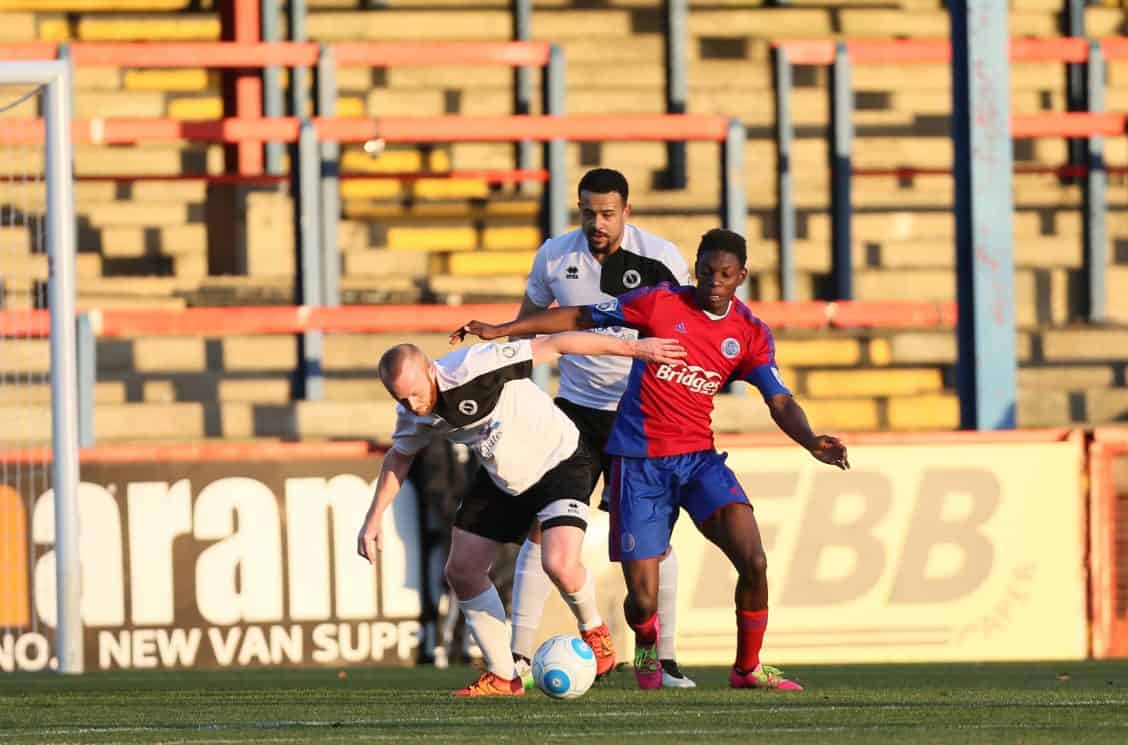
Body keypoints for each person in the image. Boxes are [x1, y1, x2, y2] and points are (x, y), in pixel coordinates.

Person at [453, 228, 850, 691]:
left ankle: (747, 669)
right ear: (695, 267)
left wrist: (809, 440)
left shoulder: (749, 333)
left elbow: (778, 400)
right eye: (706, 271)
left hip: (699, 461)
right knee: (641, 600)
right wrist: (503, 330)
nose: (713, 281)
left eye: (725, 274)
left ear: (741, 276)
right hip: (638, 464)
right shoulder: (660, 302)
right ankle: (646, 656)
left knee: (754, 559)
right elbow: (579, 316)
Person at [357, 330, 686, 697]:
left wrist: (635, 348)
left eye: (416, 392)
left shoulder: (477, 366)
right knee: (461, 570)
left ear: (431, 370)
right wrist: (373, 519)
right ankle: (504, 676)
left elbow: (559, 343)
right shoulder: (411, 414)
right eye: (401, 397)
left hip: (559, 461)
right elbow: (399, 457)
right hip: (504, 477)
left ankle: (595, 630)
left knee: (559, 564)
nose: (414, 404)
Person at [510, 167, 697, 688]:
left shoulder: (660, 257)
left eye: (608, 213)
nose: (597, 222)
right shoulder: (554, 255)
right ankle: (516, 662)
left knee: (652, 541)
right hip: (573, 411)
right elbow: (529, 325)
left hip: (640, 411)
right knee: (544, 526)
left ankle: (662, 659)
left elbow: (684, 330)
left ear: (627, 212)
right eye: (588, 212)